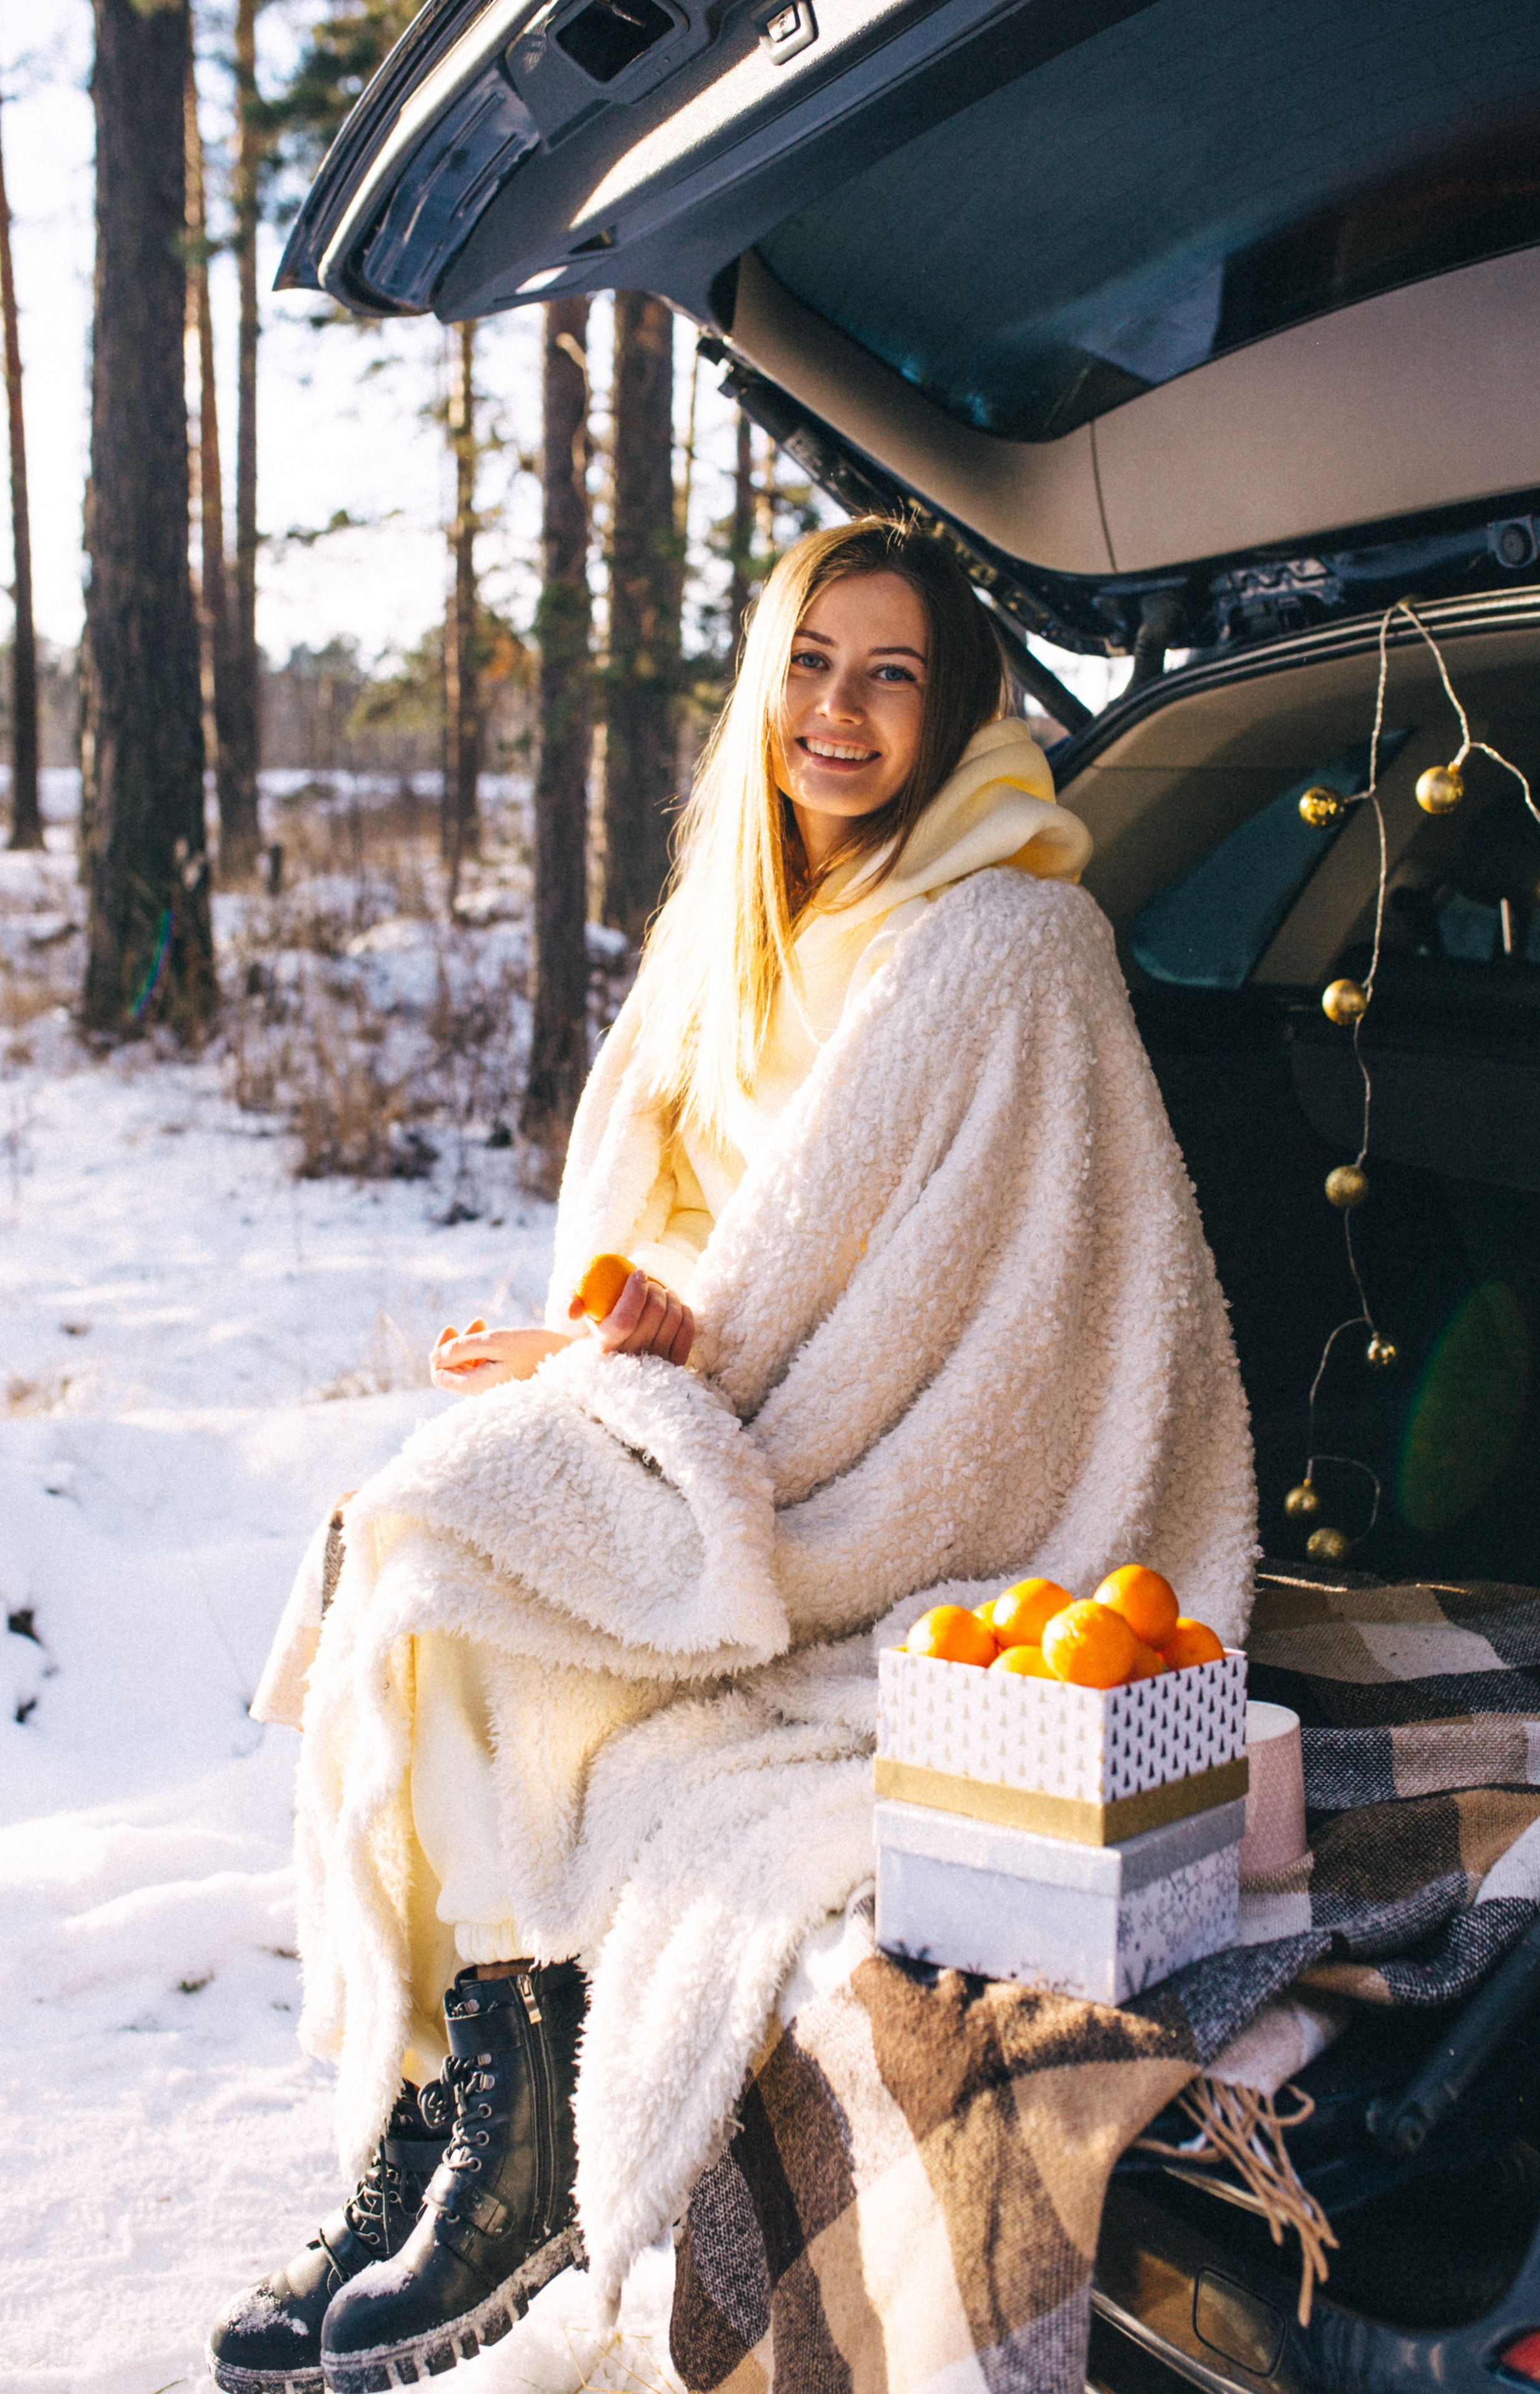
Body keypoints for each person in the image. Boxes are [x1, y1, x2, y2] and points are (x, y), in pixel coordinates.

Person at [209, 517, 1256, 2394]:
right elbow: (705, 1226)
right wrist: (627, 1337)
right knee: (420, 1535)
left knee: (460, 1528)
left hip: (911, 1478)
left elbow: (973, 1293)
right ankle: (455, 2113)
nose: (840, 712)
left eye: (893, 675)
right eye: (810, 662)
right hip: (746, 1406)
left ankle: (522, 2153)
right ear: (763, 681)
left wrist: (651, 1358)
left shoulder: (1010, 928)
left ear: (954, 715)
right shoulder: (747, 925)